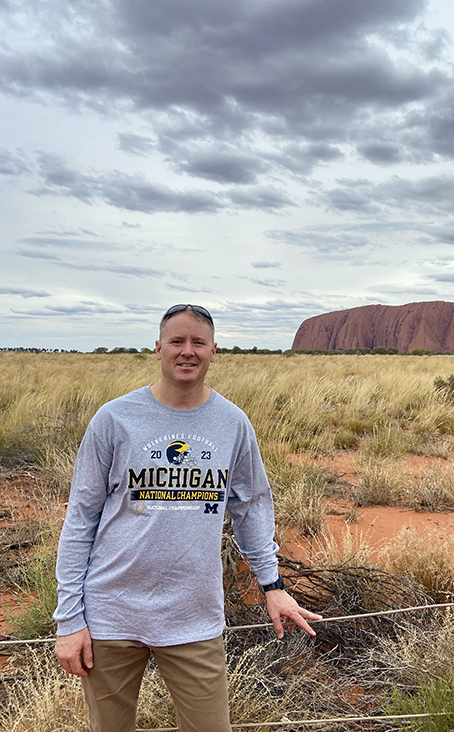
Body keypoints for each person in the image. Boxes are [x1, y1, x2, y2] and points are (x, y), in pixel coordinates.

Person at [53, 303, 321, 732]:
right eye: (177, 341)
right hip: (111, 614)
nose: (187, 351)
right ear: (158, 348)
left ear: (214, 351)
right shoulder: (114, 419)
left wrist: (272, 586)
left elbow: (251, 506)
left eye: (198, 342)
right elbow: (81, 519)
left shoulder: (232, 423)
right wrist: (69, 619)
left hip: (193, 615)